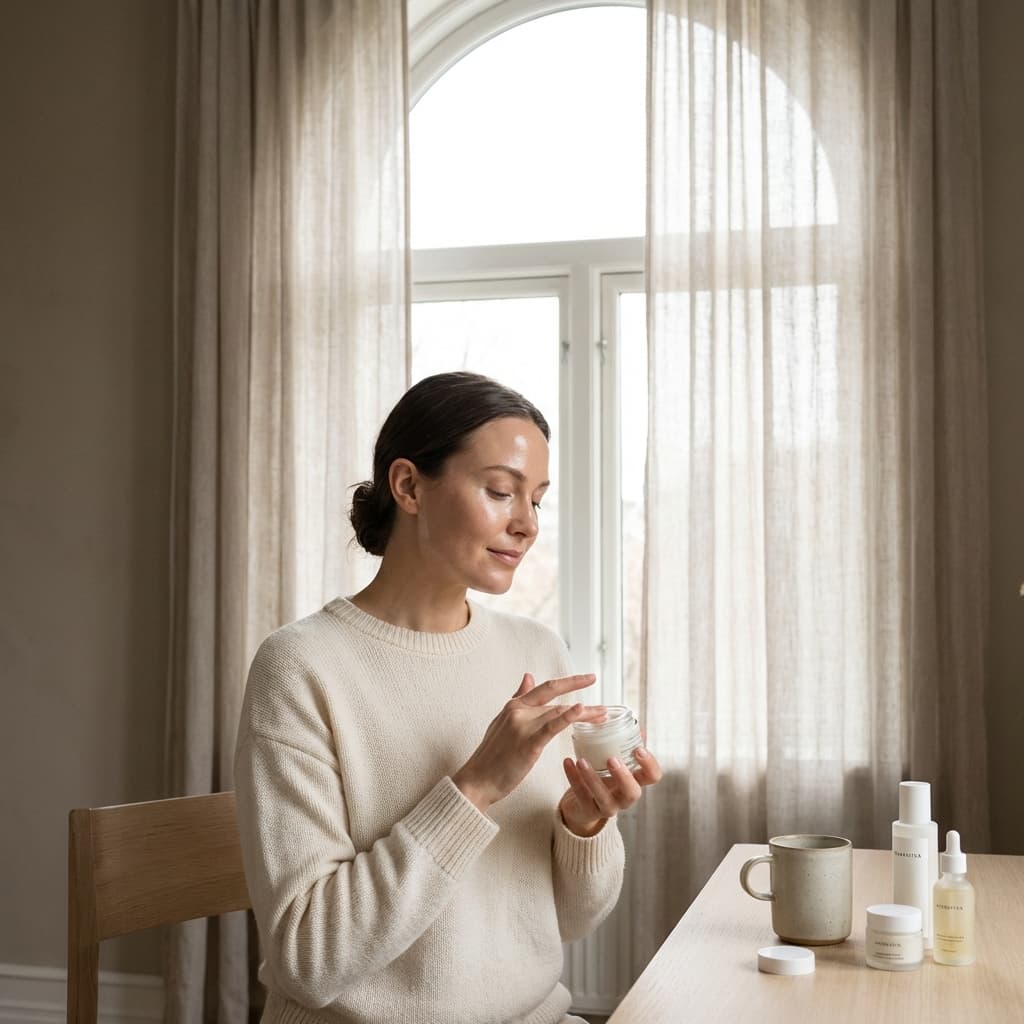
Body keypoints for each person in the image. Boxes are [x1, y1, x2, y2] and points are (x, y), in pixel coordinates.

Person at [234, 371, 662, 1024]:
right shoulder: (300, 667)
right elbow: (309, 959)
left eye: (537, 500)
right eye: (501, 492)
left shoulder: (535, 652)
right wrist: (476, 787)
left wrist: (583, 824)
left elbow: (571, 920)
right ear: (408, 486)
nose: (526, 524)